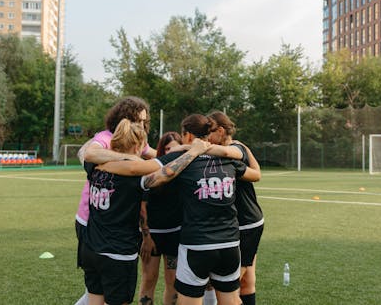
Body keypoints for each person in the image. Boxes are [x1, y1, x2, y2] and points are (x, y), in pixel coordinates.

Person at [99, 114, 261, 305]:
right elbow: (256, 174)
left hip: (197, 244)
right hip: (230, 244)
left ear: (188, 136)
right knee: (231, 300)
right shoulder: (229, 157)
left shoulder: (180, 158)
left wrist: (102, 165)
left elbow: (140, 170)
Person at [81, 119, 211, 305]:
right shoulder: (136, 178)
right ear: (139, 145)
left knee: (95, 300)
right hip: (117, 253)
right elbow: (166, 172)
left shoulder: (93, 165)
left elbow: (88, 153)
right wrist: (194, 151)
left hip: (91, 249)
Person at [74, 96, 156, 305]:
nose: (141, 125)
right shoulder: (105, 137)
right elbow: (90, 153)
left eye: (144, 121)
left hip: (104, 219)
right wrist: (129, 160)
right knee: (102, 278)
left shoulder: (138, 139)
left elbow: (156, 155)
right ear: (123, 118)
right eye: (137, 120)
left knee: (97, 284)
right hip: (89, 218)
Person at [207, 111, 264, 305]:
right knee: (247, 281)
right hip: (239, 223)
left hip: (247, 223)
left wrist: (199, 148)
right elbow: (257, 174)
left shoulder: (234, 149)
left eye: (209, 132)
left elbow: (255, 174)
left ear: (220, 131)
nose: (207, 137)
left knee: (229, 285)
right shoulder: (237, 148)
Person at [139, 131, 183, 305]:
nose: (171, 153)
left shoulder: (185, 171)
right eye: (167, 149)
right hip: (152, 234)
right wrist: (146, 237)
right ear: (162, 151)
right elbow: (141, 207)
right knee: (149, 278)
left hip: (175, 233)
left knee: (173, 280)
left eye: (175, 149)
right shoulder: (152, 171)